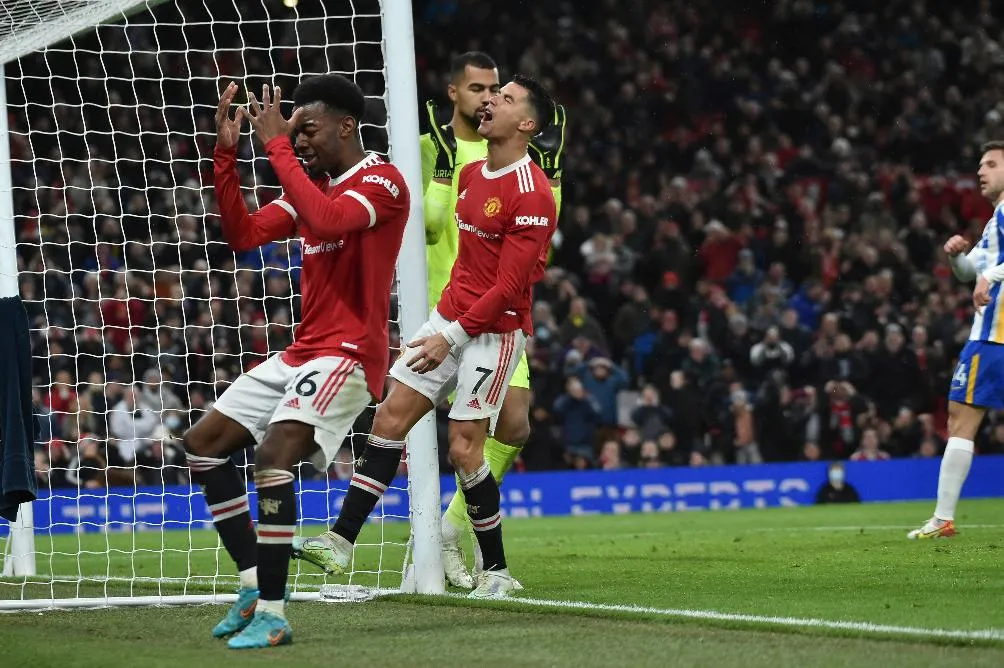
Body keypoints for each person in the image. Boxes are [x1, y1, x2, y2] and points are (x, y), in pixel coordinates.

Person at [295, 53, 566, 589]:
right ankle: (339, 543)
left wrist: (453, 336)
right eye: (490, 93)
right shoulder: (467, 173)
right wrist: (443, 325)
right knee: (390, 416)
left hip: (492, 333)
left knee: (465, 446)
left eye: (506, 98)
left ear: (527, 125)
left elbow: (510, 288)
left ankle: (496, 571)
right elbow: (462, 260)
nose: (492, 102)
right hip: (449, 316)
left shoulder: (532, 192)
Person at [184, 75, 409, 649]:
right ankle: (252, 584)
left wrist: (275, 146)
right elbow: (243, 234)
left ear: (346, 125)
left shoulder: (381, 182)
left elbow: (331, 221)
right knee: (203, 445)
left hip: (350, 352)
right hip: (303, 351)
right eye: (291, 131)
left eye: (306, 128)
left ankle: (275, 614)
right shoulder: (315, 188)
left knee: (273, 453)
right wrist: (227, 156)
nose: (296, 139)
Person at [909, 140, 1004, 540]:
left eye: (992, 164)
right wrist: (955, 257)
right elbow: (969, 272)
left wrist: (992, 277)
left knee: (962, 419)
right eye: (980, 164)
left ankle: (943, 518)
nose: (981, 171)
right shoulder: (995, 220)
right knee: (960, 418)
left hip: (994, 336)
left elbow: (986, 275)